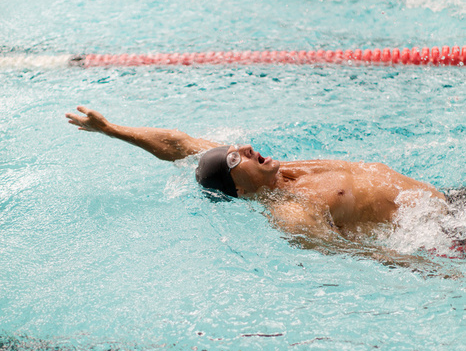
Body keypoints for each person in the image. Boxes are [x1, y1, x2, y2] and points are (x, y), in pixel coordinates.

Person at [66, 107, 450, 262]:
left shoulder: (277, 173)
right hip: (443, 239)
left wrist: (113, 130)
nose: (246, 149)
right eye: (236, 159)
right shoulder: (292, 216)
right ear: (241, 191)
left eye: (238, 148)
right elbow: (368, 257)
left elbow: (180, 144)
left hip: (447, 203)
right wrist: (439, 267)